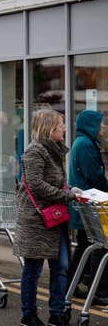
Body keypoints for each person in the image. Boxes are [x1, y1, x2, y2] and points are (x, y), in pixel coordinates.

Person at [14, 109, 78, 326]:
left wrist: (70, 189)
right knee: (33, 269)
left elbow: (55, 183)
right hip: (36, 219)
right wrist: (68, 195)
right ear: (49, 127)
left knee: (61, 266)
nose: (64, 128)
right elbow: (36, 185)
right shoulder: (34, 152)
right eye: (61, 124)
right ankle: (28, 315)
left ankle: (56, 315)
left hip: (55, 217)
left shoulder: (55, 150)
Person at [68, 110, 108, 306]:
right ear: (91, 125)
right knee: (99, 246)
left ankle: (70, 284)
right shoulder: (85, 144)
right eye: (100, 124)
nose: (103, 127)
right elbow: (94, 176)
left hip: (85, 205)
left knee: (85, 245)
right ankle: (99, 291)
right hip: (90, 205)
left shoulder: (84, 142)